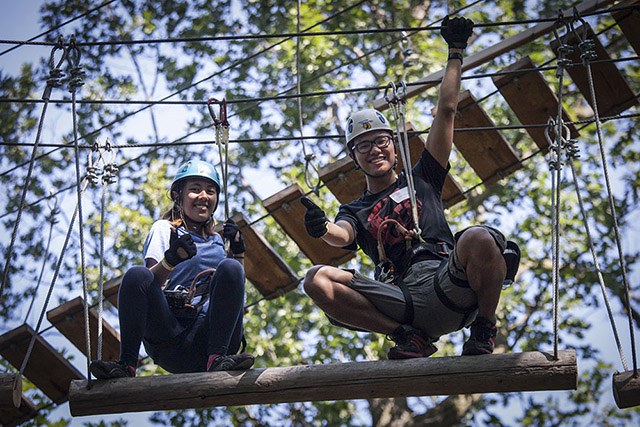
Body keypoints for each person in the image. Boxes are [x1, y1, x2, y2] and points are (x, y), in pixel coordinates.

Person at [301, 16, 520, 359]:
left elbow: (446, 112)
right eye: (363, 146)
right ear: (354, 157)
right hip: (401, 300)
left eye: (381, 141)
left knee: (478, 236)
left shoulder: (423, 178)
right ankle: (407, 337)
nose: (374, 149)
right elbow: (340, 235)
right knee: (316, 280)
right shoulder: (355, 211)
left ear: (393, 144)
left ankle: (484, 329)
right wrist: (322, 227)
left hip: (446, 279)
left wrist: (455, 52)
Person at [90, 159, 254, 378]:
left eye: (210, 191)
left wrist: (238, 252)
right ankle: (126, 365)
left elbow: (233, 295)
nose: (204, 196)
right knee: (137, 274)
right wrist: (171, 260)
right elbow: (147, 285)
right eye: (195, 190)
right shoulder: (164, 230)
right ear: (178, 195)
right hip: (172, 336)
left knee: (232, 267)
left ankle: (217, 359)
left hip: (214, 340)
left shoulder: (217, 241)